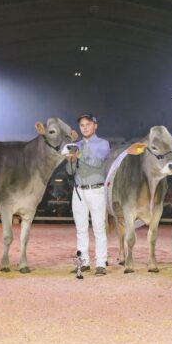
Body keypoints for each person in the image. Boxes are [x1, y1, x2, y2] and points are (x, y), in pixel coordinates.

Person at [65, 113, 110, 276]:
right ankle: (83, 262)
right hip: (78, 190)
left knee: (99, 228)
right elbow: (70, 171)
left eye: (88, 124)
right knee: (81, 229)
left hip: (96, 190)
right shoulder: (75, 145)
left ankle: (101, 263)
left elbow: (97, 162)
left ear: (95, 126)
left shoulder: (103, 143)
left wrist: (80, 155)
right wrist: (69, 159)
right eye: (82, 125)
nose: (85, 127)